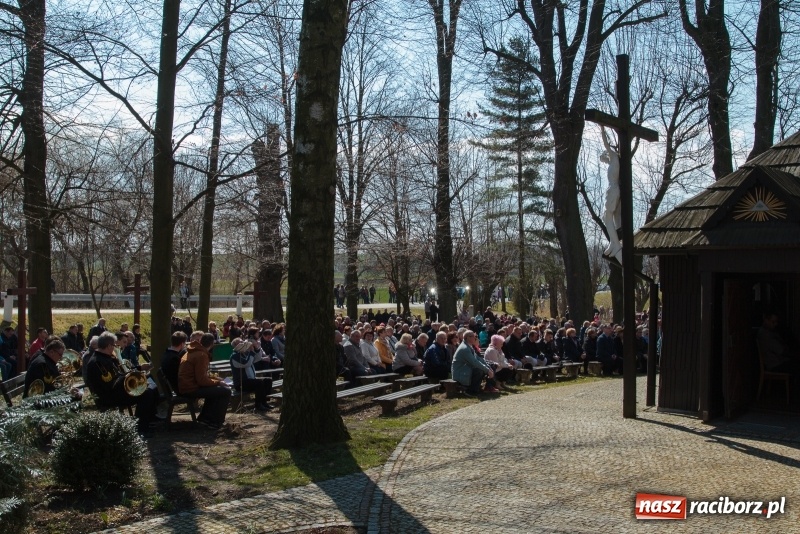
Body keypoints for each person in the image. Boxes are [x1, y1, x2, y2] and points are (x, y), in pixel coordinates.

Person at [86, 332, 159, 434]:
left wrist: (135, 371)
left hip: (116, 391)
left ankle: (148, 420)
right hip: (109, 396)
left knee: (149, 388)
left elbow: (118, 374)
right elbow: (109, 385)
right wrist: (126, 377)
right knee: (146, 394)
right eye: (114, 345)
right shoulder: (98, 362)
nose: (115, 348)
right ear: (108, 346)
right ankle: (141, 428)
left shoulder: (106, 357)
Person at [178, 333, 231, 429]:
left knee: (216, 389)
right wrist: (218, 382)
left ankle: (205, 418)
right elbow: (201, 380)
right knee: (226, 391)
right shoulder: (201, 355)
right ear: (212, 344)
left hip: (186, 385)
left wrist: (215, 379)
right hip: (190, 388)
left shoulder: (193, 351)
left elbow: (200, 375)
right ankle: (216, 422)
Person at [229, 339, 273, 411]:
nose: (244, 344)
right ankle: (258, 405)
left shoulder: (245, 354)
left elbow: (258, 358)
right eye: (241, 343)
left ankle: (264, 402)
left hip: (250, 380)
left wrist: (257, 348)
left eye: (243, 342)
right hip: (241, 383)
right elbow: (247, 363)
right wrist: (251, 352)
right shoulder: (235, 356)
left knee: (268, 380)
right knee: (259, 383)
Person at [601, 126, 623, 263]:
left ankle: (615, 245)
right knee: (611, 218)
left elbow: (605, 143)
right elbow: (607, 160)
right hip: (613, 190)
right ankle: (613, 242)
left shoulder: (614, 157)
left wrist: (602, 129)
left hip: (613, 189)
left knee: (606, 216)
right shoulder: (613, 162)